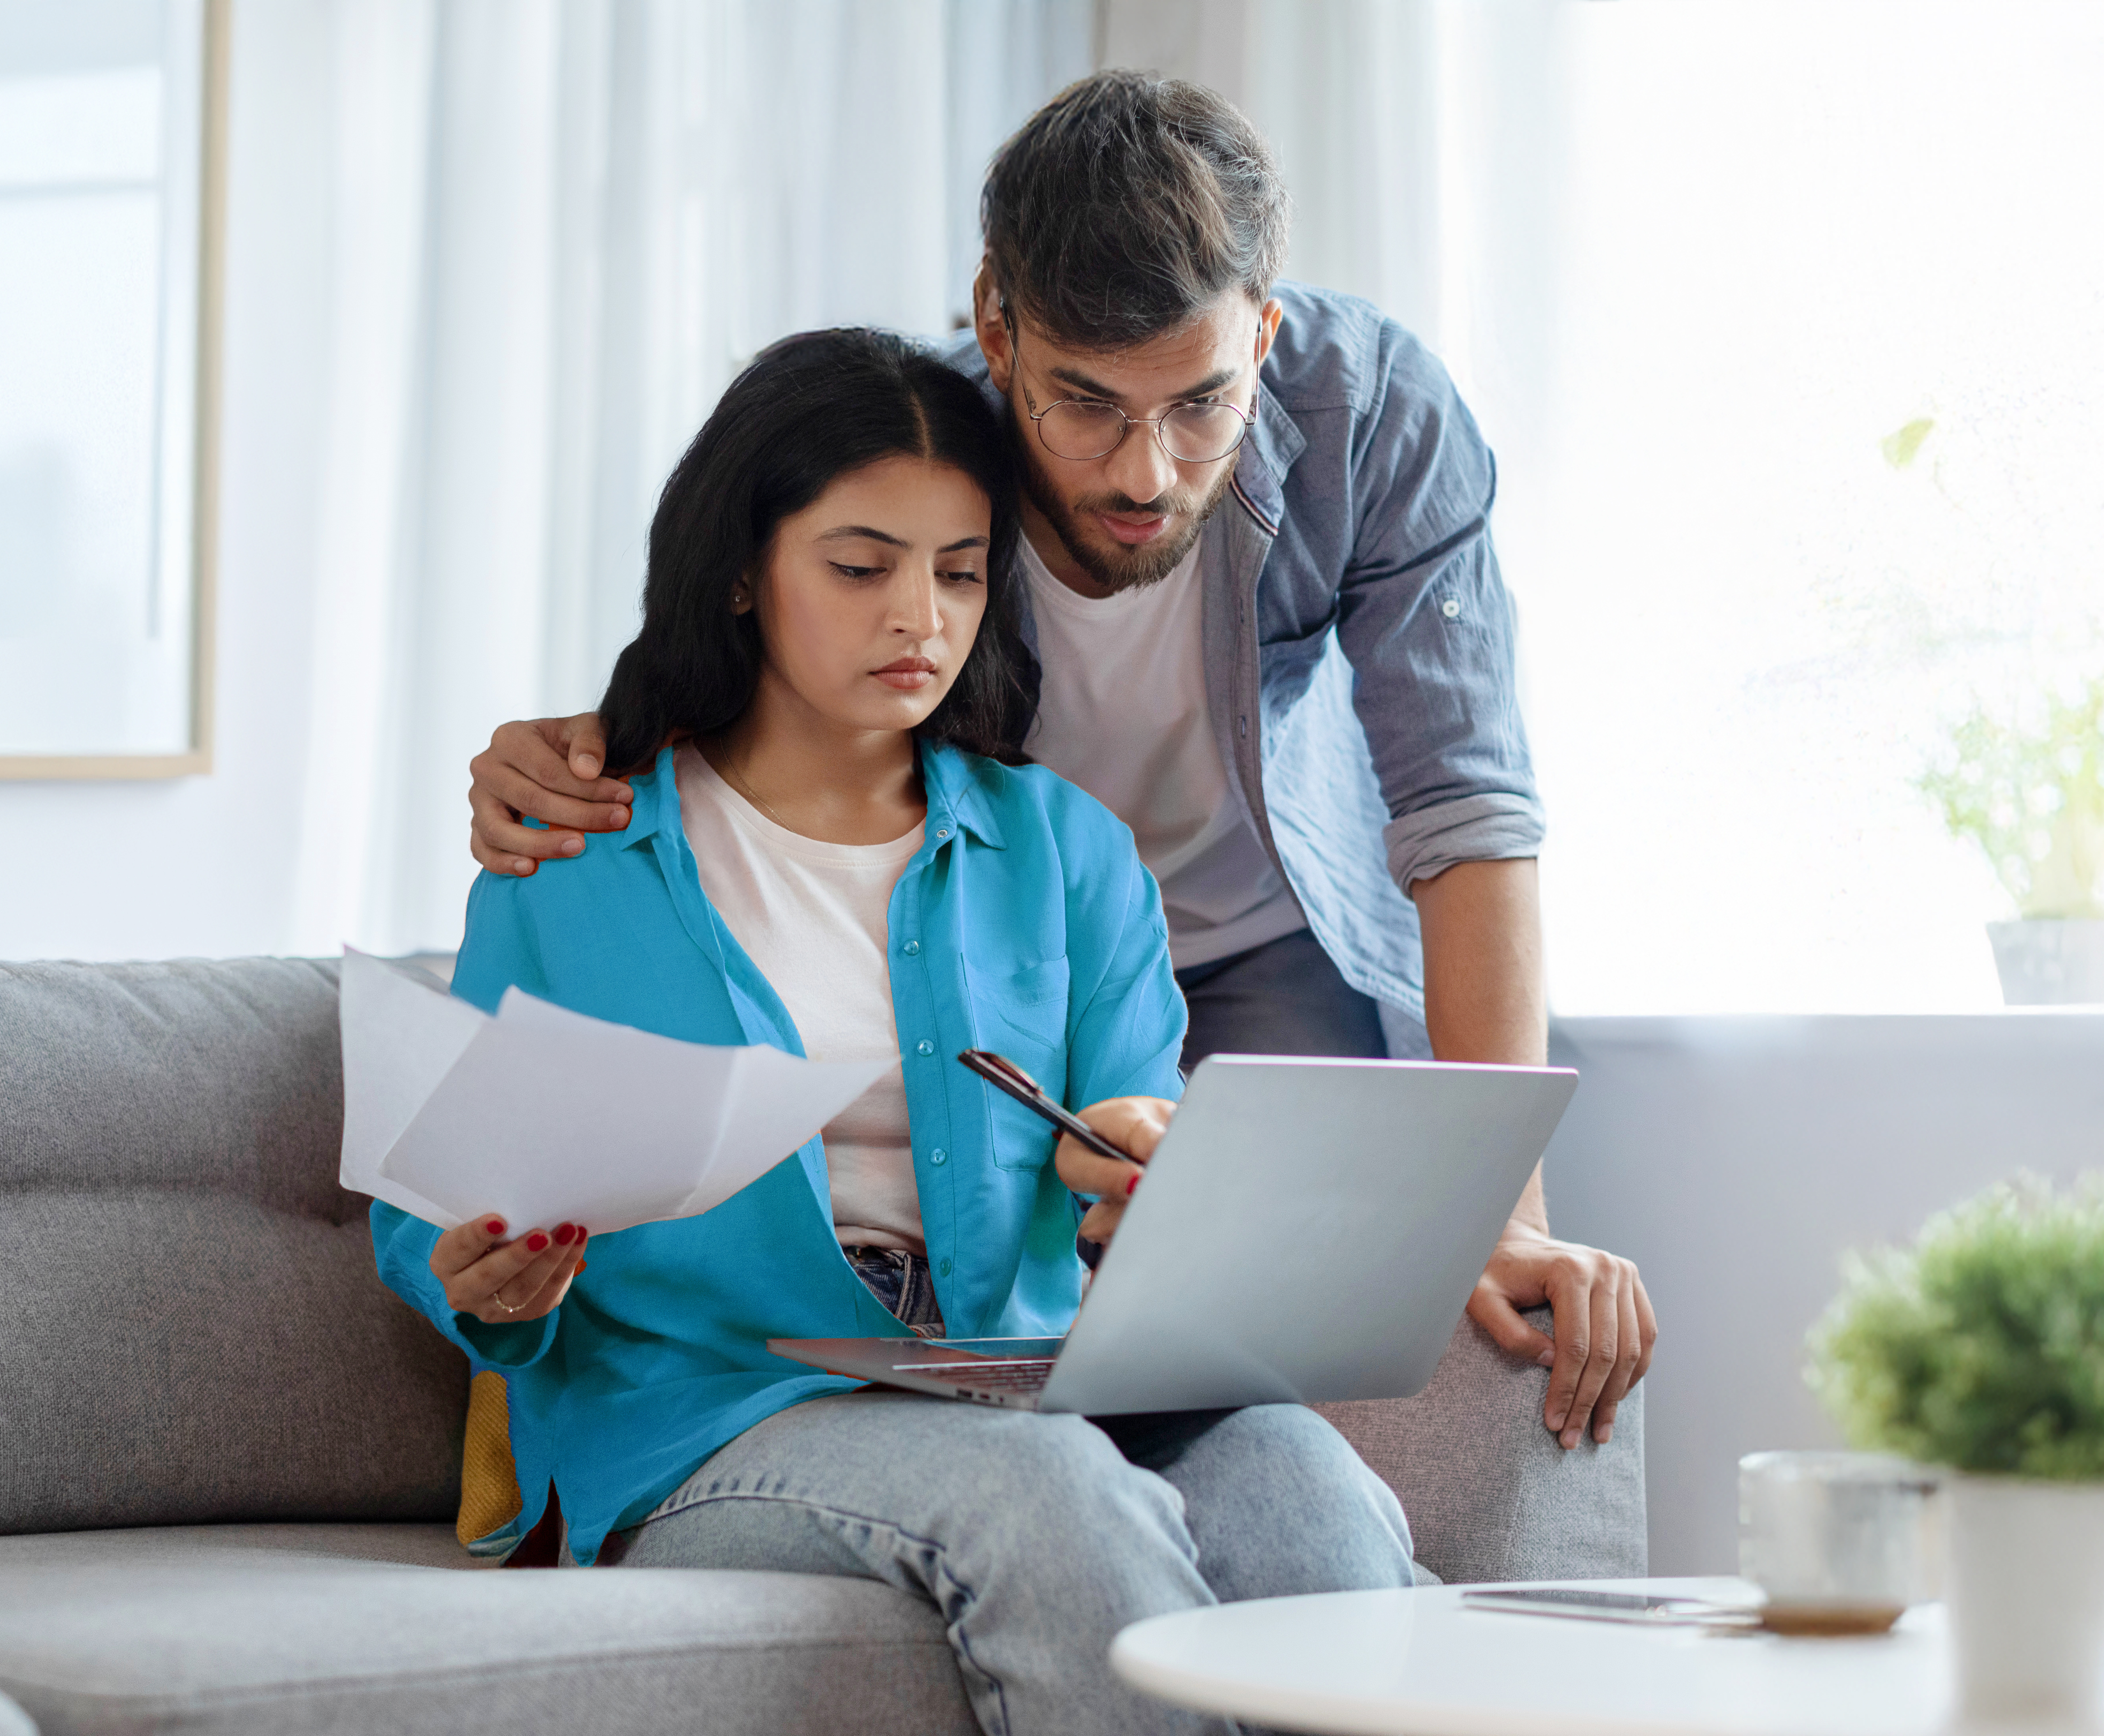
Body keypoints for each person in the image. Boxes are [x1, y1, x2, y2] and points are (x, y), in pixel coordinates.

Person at [463, 72, 1656, 1449]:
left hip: (1273, 941)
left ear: (1262, 334)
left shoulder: (1374, 419)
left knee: (1300, 1351)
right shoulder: (926, 442)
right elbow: (777, 647)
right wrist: (582, 747)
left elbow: (1467, 812)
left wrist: (1501, 1221)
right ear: (998, 328)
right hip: (1017, 943)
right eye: (1085, 406)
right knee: (1057, 1335)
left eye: (1201, 404)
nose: (1144, 472)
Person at [373, 327, 1423, 1736]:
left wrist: (1141, 1164)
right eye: (861, 568)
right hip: (715, 1413)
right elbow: (438, 1184)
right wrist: (480, 1278)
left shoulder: (1067, 852)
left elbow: (1132, 1110)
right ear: (744, 570)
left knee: (1306, 1481)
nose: (919, 618)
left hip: (1022, 1383)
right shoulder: (579, 850)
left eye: (961, 570)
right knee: (1049, 1500)